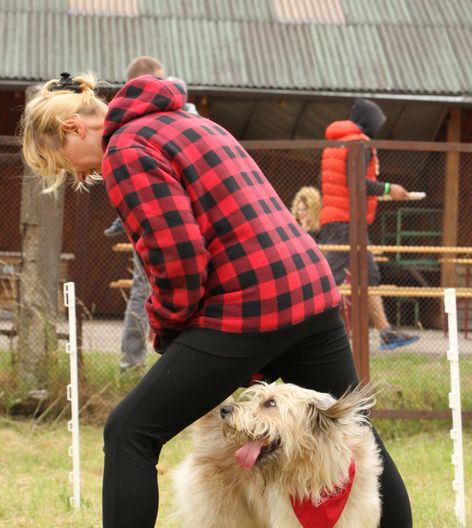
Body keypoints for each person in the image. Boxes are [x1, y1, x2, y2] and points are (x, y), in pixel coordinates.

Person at [21, 72, 412, 528]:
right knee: (352, 433)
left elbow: (178, 257)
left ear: (73, 128)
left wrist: (168, 330)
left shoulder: (126, 150)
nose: (83, 175)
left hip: (252, 303)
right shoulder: (193, 122)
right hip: (312, 289)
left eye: (69, 166)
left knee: (130, 432)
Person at [104, 56, 200, 370]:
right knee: (149, 288)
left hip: (160, 213)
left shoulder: (125, 120)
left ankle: (135, 361)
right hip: (175, 214)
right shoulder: (178, 110)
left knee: (143, 288)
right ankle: (148, 360)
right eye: (162, 78)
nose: (168, 83)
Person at [320, 98, 420, 350]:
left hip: (338, 217)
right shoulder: (359, 144)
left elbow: (341, 183)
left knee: (367, 274)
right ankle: (306, 323)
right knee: (330, 276)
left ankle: (386, 332)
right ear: (370, 123)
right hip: (347, 221)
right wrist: (389, 188)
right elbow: (357, 182)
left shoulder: (336, 141)